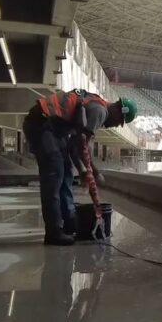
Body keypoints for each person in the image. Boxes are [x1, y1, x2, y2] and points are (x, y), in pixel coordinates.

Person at [23, 89, 137, 246]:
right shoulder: (100, 111)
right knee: (55, 174)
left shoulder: (96, 104)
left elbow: (73, 147)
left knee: (67, 172)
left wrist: (84, 171)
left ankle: (69, 223)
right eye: (120, 121)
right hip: (41, 123)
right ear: (118, 110)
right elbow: (81, 146)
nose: (116, 125)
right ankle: (54, 232)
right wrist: (94, 173)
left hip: (53, 129)